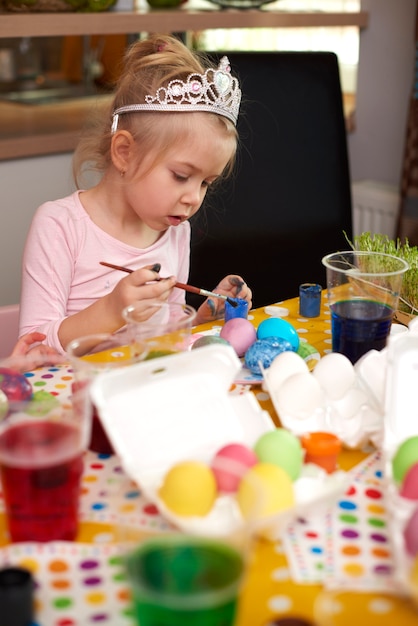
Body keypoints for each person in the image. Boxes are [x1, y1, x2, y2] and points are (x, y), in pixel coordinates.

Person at [19, 34, 252, 355]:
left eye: (205, 183)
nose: (193, 198)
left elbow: (167, 336)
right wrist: (112, 311)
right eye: (181, 176)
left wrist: (202, 318)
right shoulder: (60, 225)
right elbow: (32, 349)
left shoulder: (175, 232)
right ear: (125, 153)